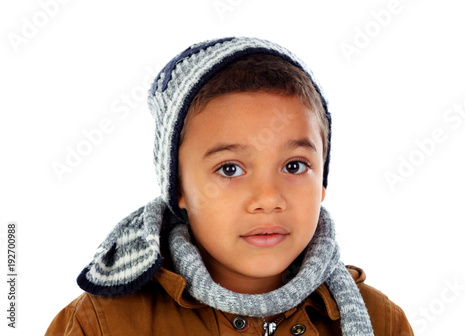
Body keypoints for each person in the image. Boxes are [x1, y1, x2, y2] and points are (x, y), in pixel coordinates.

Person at [45, 37, 414, 336]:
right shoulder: (101, 325)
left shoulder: (383, 323)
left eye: (294, 165)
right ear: (179, 189)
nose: (268, 199)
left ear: (322, 184)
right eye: (230, 169)